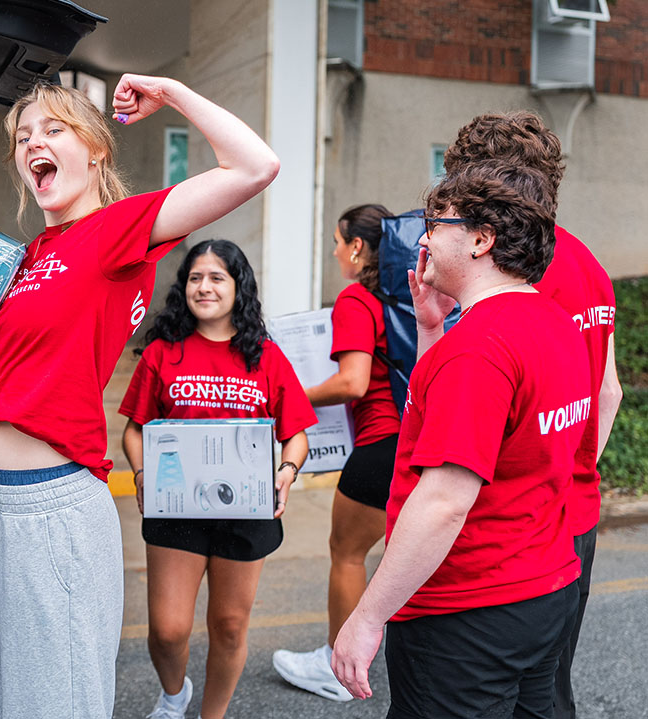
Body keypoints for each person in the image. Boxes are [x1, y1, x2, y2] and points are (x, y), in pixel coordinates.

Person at [0, 74, 281, 719]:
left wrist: (172, 93)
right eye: (21, 138)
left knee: (58, 700)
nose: (31, 144)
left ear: (95, 150)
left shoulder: (116, 231)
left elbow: (254, 165)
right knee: (13, 697)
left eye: (52, 130)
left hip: (52, 501)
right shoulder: (26, 257)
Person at [331, 161, 591, 718]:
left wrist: (367, 615)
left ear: (480, 239)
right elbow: (452, 427)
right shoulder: (556, 324)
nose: (423, 237)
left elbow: (446, 500)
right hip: (544, 589)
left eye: (437, 223)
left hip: (465, 612)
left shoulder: (478, 349)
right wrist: (430, 328)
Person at [441, 111, 622, 719]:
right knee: (548, 690)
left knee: (486, 693)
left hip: (510, 526)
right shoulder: (590, 265)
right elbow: (609, 392)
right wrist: (567, 465)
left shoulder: (506, 273)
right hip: (575, 514)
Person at [119, 239, 313, 719]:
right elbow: (134, 429)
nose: (203, 287)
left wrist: (287, 472)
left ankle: (213, 714)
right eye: (195, 278)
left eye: (217, 277)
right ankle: (172, 696)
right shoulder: (162, 353)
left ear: (238, 287)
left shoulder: (264, 356)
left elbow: (297, 436)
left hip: (244, 511)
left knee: (228, 626)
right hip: (177, 507)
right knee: (167, 630)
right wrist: (142, 472)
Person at [271, 203, 400, 703]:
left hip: (379, 444)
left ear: (357, 247)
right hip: (421, 442)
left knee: (347, 553)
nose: (334, 251)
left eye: (337, 240)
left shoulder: (357, 298)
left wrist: (292, 396)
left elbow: (353, 381)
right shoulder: (413, 293)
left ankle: (337, 667)